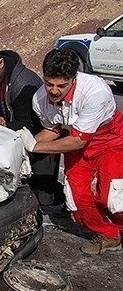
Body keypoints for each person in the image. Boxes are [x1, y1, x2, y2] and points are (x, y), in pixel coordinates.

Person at [23, 48, 123, 255]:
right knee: (77, 197)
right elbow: (52, 130)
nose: (54, 91)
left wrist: (35, 146)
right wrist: (23, 144)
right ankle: (108, 234)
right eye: (49, 83)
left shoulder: (96, 92)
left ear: (74, 79)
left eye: (62, 85)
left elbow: (78, 140)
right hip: (74, 143)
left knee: (113, 196)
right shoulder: (39, 99)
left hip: (109, 141)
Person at [0, 42, 63, 206]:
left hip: (39, 140)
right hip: (9, 138)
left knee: (44, 196)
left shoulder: (25, 84)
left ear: (1, 63)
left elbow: (28, 124)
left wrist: (3, 125)